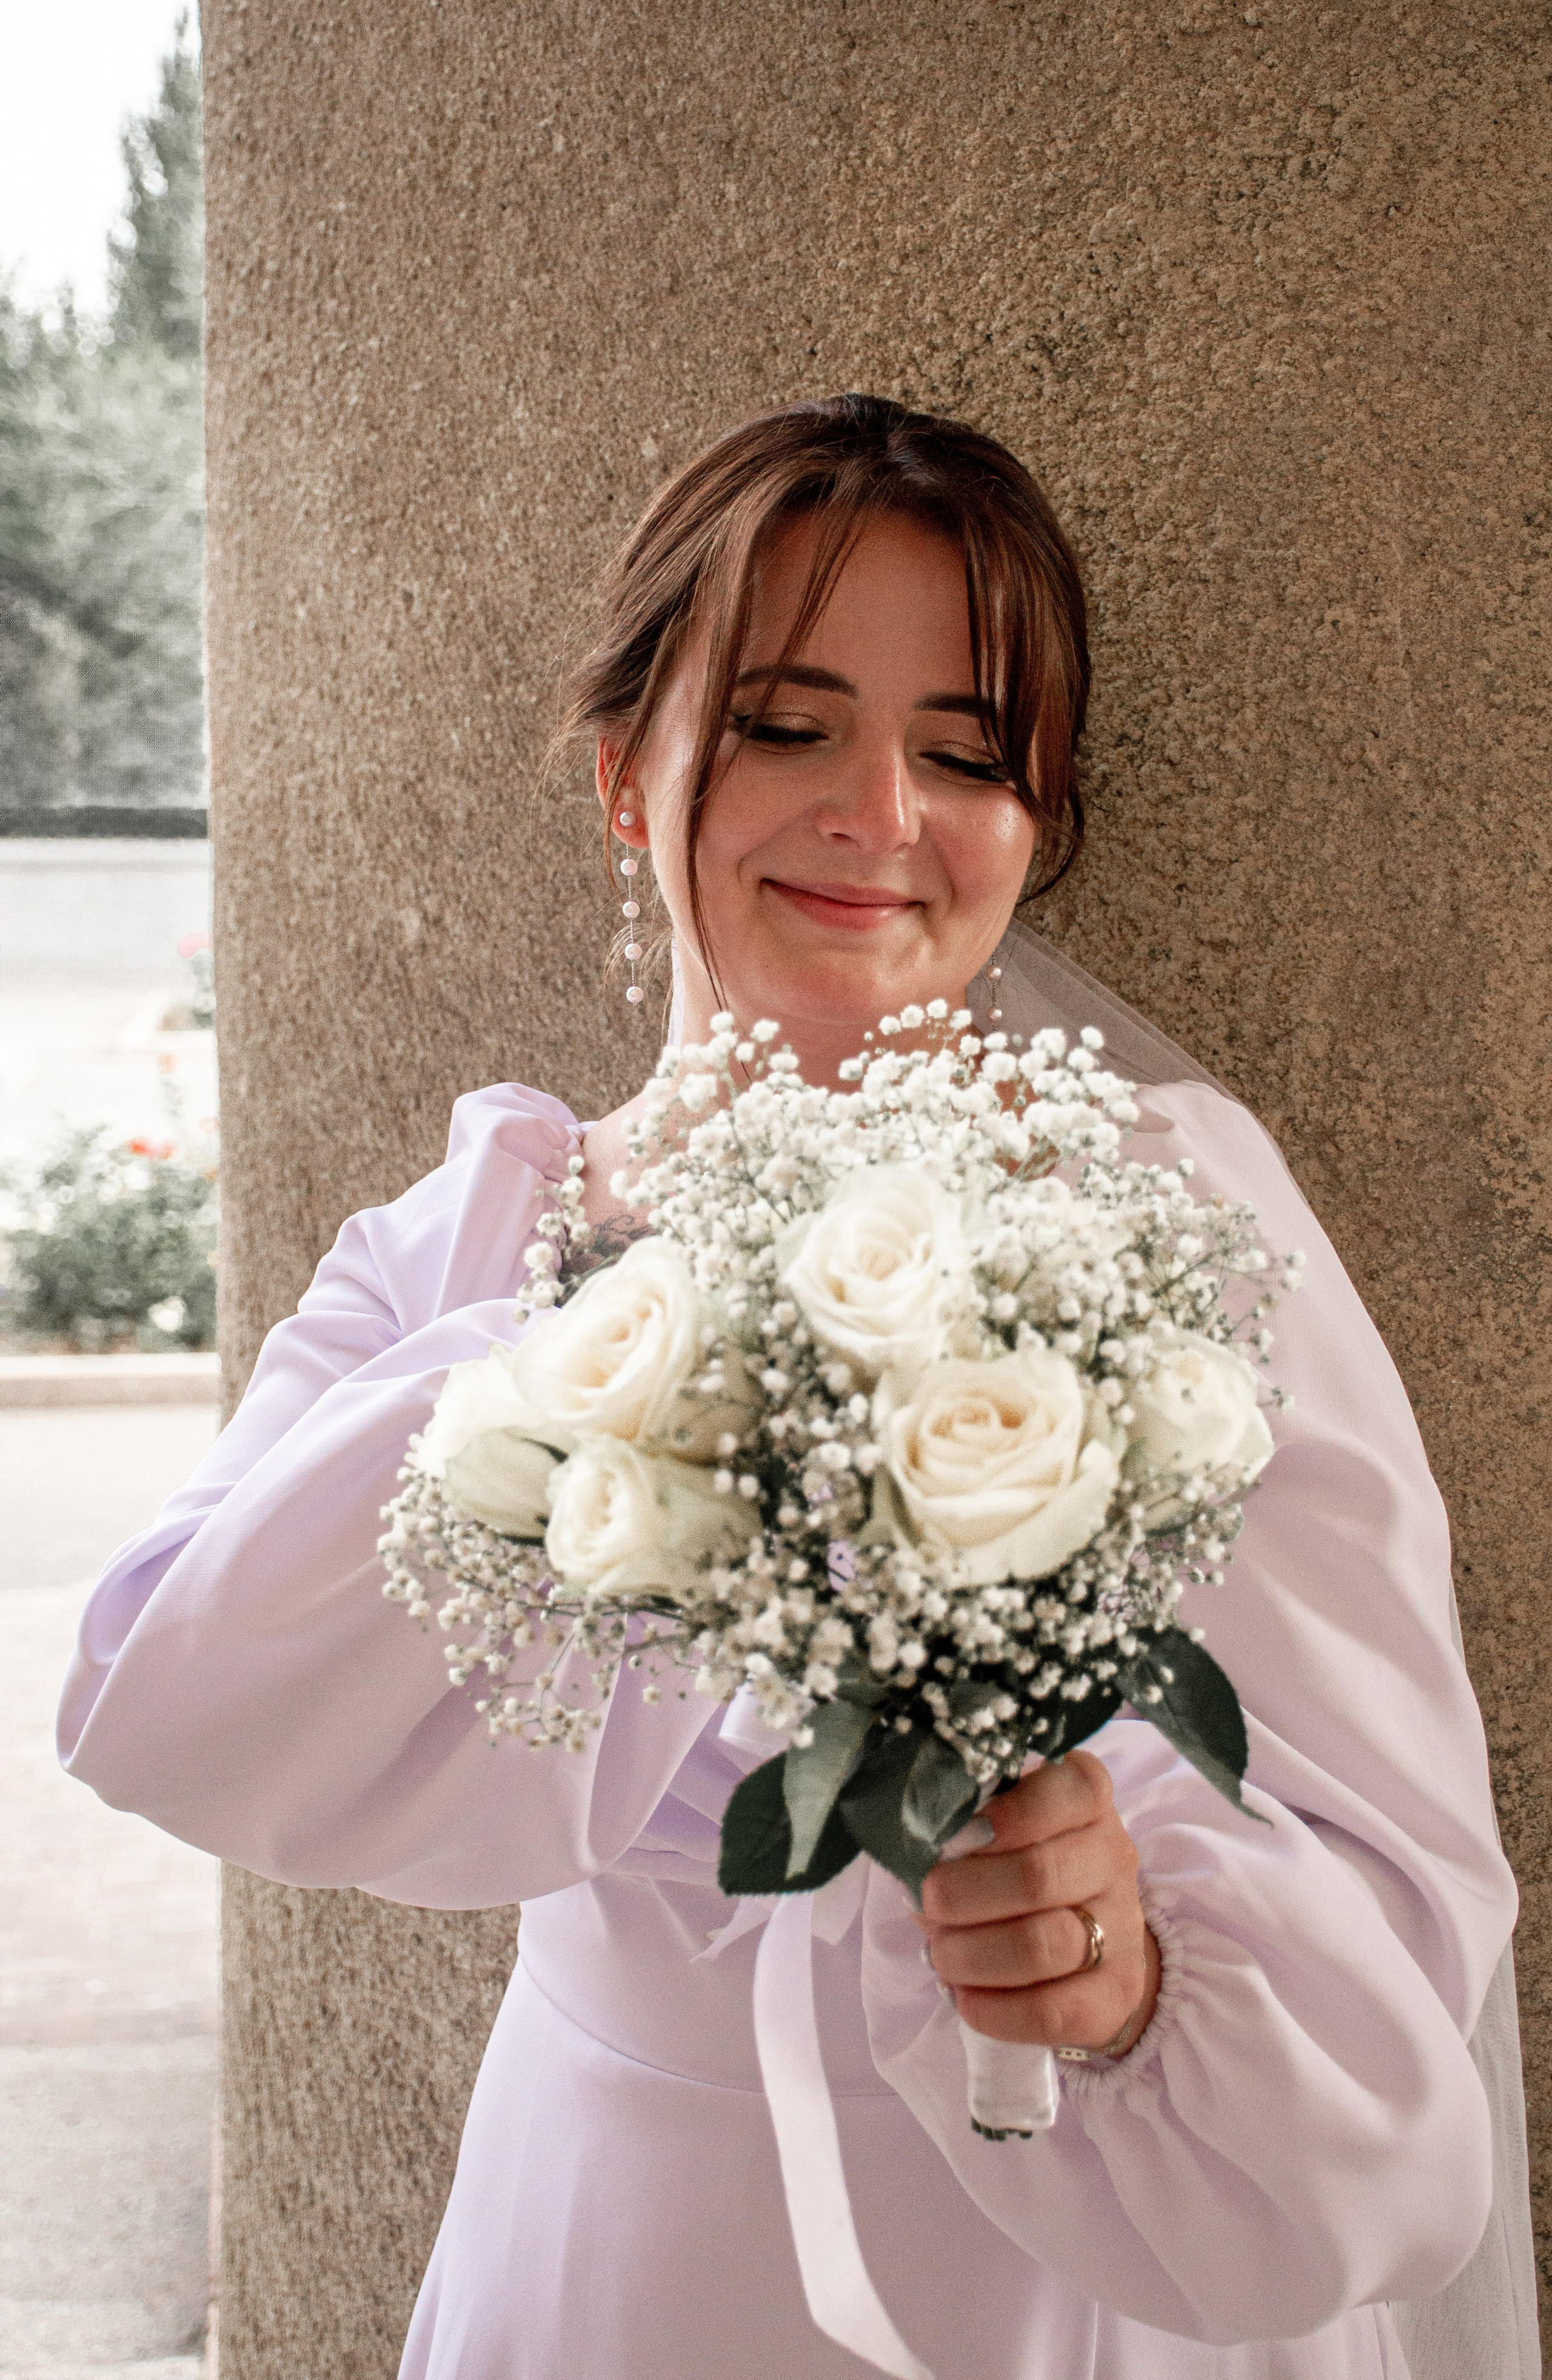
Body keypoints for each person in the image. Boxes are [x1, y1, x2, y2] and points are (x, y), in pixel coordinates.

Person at [59, 396, 1530, 2380]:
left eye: (969, 753)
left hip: (1082, 2267)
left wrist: (1131, 1971)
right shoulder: (470, 1245)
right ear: (624, 773)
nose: (883, 815)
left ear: (1038, 824)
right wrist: (618, 1319)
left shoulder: (1173, 1216)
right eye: (783, 724)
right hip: (632, 2246)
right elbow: (170, 1697)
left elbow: (1403, 1869)